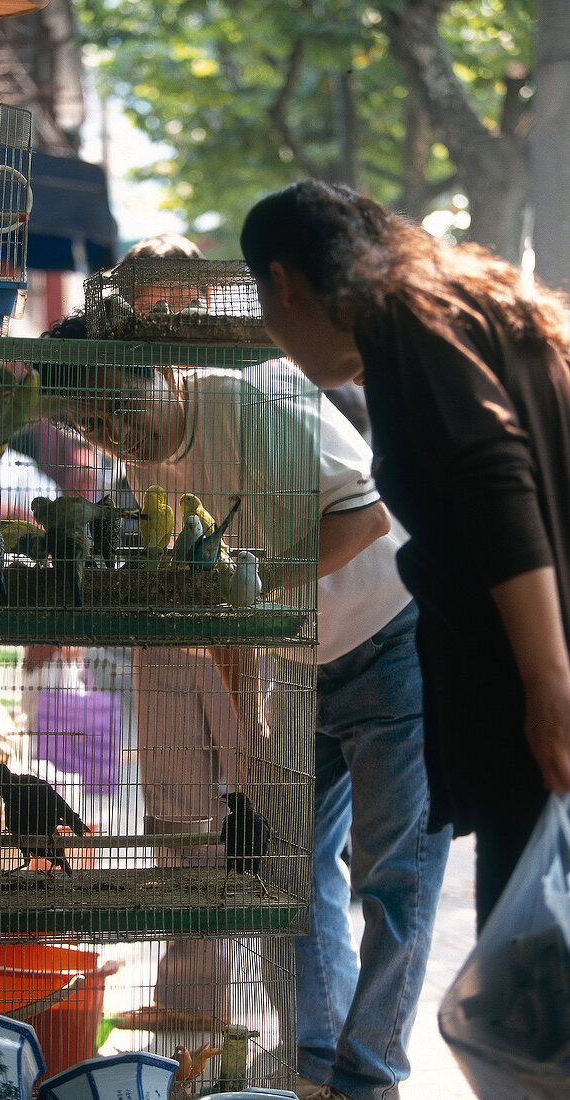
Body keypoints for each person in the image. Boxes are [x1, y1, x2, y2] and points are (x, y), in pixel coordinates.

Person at [40, 292, 451, 1099]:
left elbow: (362, 522)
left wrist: (254, 598)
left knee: (394, 879)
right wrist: (250, 722)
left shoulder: (252, 391)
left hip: (401, 637)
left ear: (162, 372)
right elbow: (215, 597)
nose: (112, 433)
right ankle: (314, 1065)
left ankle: (371, 1080)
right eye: (90, 425)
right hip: (302, 668)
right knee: (285, 873)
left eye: (118, 406)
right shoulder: (141, 460)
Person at [239, 179, 570, 933]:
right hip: (527, 703)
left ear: (285, 284)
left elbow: (498, 485)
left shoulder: (410, 331)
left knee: (530, 1009)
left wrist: (549, 690)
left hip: (536, 717)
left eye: (262, 301)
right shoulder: (466, 310)